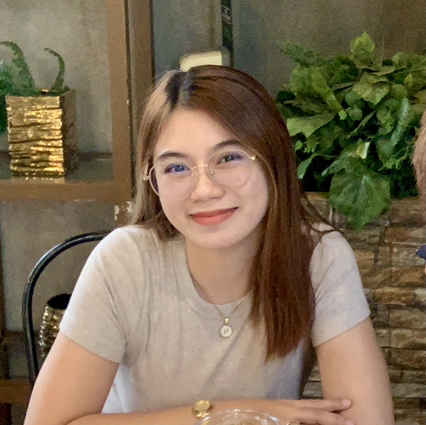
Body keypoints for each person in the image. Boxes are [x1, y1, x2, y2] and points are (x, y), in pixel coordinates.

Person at [24, 65, 394, 425]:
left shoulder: (318, 257)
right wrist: (222, 414)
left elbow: (364, 419)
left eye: (229, 158)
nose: (204, 190)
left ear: (274, 160)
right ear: (152, 179)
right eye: (176, 168)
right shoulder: (124, 262)